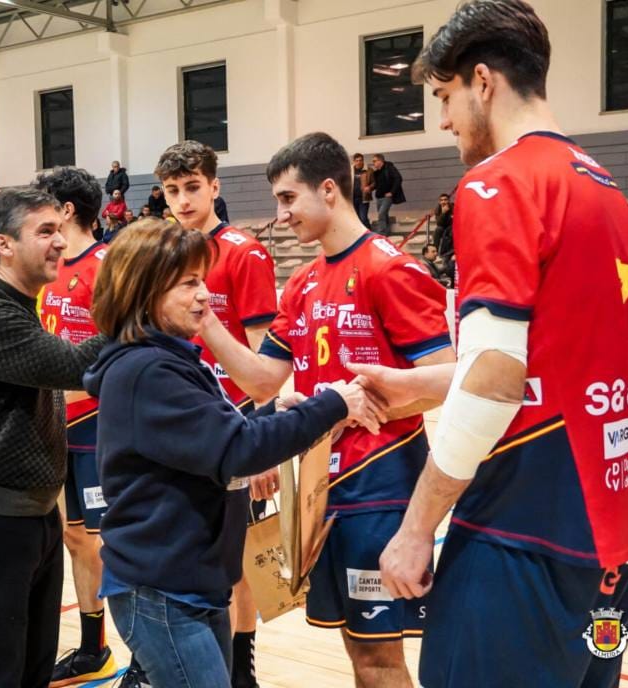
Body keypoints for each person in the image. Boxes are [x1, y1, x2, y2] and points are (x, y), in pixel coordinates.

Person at [350, 2, 628, 686]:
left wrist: (417, 527)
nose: (444, 120)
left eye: (445, 97)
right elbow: (554, 364)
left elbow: (496, 376)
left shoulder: (498, 182)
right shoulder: (605, 190)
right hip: (607, 538)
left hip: (519, 534)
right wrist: (421, 386)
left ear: (483, 81)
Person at [200, 132, 454, 688]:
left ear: (331, 190)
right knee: (357, 654)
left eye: (289, 199)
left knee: (379, 659)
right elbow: (265, 379)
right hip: (321, 488)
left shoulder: (390, 270)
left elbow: (448, 380)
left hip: (380, 488)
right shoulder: (305, 282)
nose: (280, 214)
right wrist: (205, 320)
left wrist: (360, 406)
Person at [84, 219, 381, 688]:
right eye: (188, 283)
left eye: (201, 279)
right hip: (162, 590)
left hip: (189, 582)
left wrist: (277, 411)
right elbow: (237, 450)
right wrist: (333, 404)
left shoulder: (168, 360)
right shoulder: (148, 371)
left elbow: (217, 438)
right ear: (145, 292)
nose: (204, 295)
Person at [0, 187, 107, 688]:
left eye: (61, 228)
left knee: (32, 668)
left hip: (30, 513)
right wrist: (135, 304)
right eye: (46, 232)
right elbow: (77, 367)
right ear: (4, 244)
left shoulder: (20, 305)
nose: (61, 242)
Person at [156, 139, 279, 688]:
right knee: (183, 544)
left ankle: (240, 664)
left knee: (238, 558)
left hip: (234, 428)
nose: (182, 200)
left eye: (192, 188)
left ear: (215, 186)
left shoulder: (245, 253)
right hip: (178, 426)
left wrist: (266, 440)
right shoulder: (163, 254)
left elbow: (264, 361)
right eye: (172, 190)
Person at [31, 167, 119, 686]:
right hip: (55, 424)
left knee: (108, 542)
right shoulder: (49, 267)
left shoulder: (105, 267)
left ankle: (134, 650)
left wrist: (53, 390)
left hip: (98, 427)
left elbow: (121, 355)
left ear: (66, 211)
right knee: (73, 537)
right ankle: (94, 647)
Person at [371, 153, 405, 234]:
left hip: (387, 197)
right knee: (384, 215)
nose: (373, 163)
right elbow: (377, 184)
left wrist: (392, 192)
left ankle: (382, 233)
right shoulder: (376, 173)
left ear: (380, 161)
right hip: (379, 197)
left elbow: (398, 178)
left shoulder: (389, 168)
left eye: (374, 161)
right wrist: (370, 188)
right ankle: (387, 232)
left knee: (381, 214)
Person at [352, 153, 375, 229]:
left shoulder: (369, 170)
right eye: (357, 160)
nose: (359, 162)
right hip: (352, 199)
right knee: (357, 219)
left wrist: (369, 187)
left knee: (363, 218)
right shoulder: (349, 171)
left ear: (363, 161)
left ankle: (370, 233)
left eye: (360, 160)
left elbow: (374, 183)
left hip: (364, 198)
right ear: (354, 161)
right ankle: (362, 235)